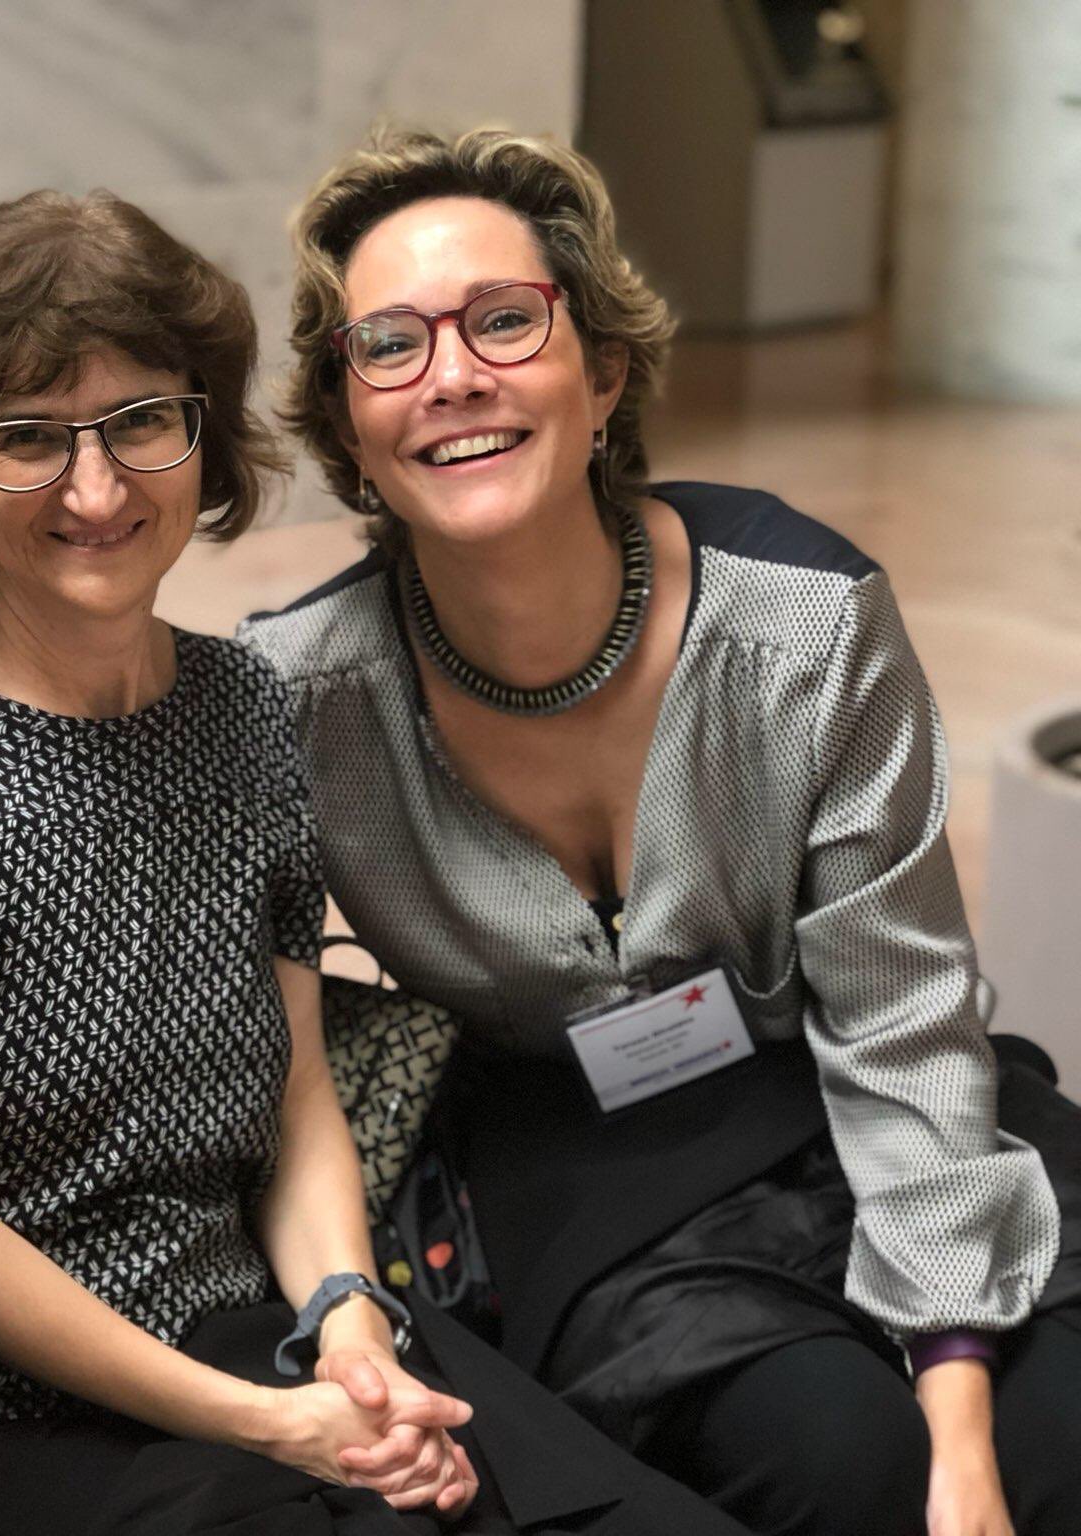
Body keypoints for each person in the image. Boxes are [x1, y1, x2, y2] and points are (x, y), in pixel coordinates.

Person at [0, 188, 748, 1536]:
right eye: (27, 440)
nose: (95, 488)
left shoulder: (245, 706)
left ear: (205, 434)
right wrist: (267, 1420)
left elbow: (300, 1095)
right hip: (16, 1407)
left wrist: (349, 1322)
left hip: (262, 1328)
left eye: (141, 421)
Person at [240, 125, 1081, 1536]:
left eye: (505, 321)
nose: (452, 375)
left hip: (845, 1084)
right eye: (388, 345)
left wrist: (962, 1422)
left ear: (605, 368)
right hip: (579, 1167)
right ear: (350, 423)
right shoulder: (298, 701)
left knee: (1046, 1438)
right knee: (828, 1460)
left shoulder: (805, 625)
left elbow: (900, 1021)